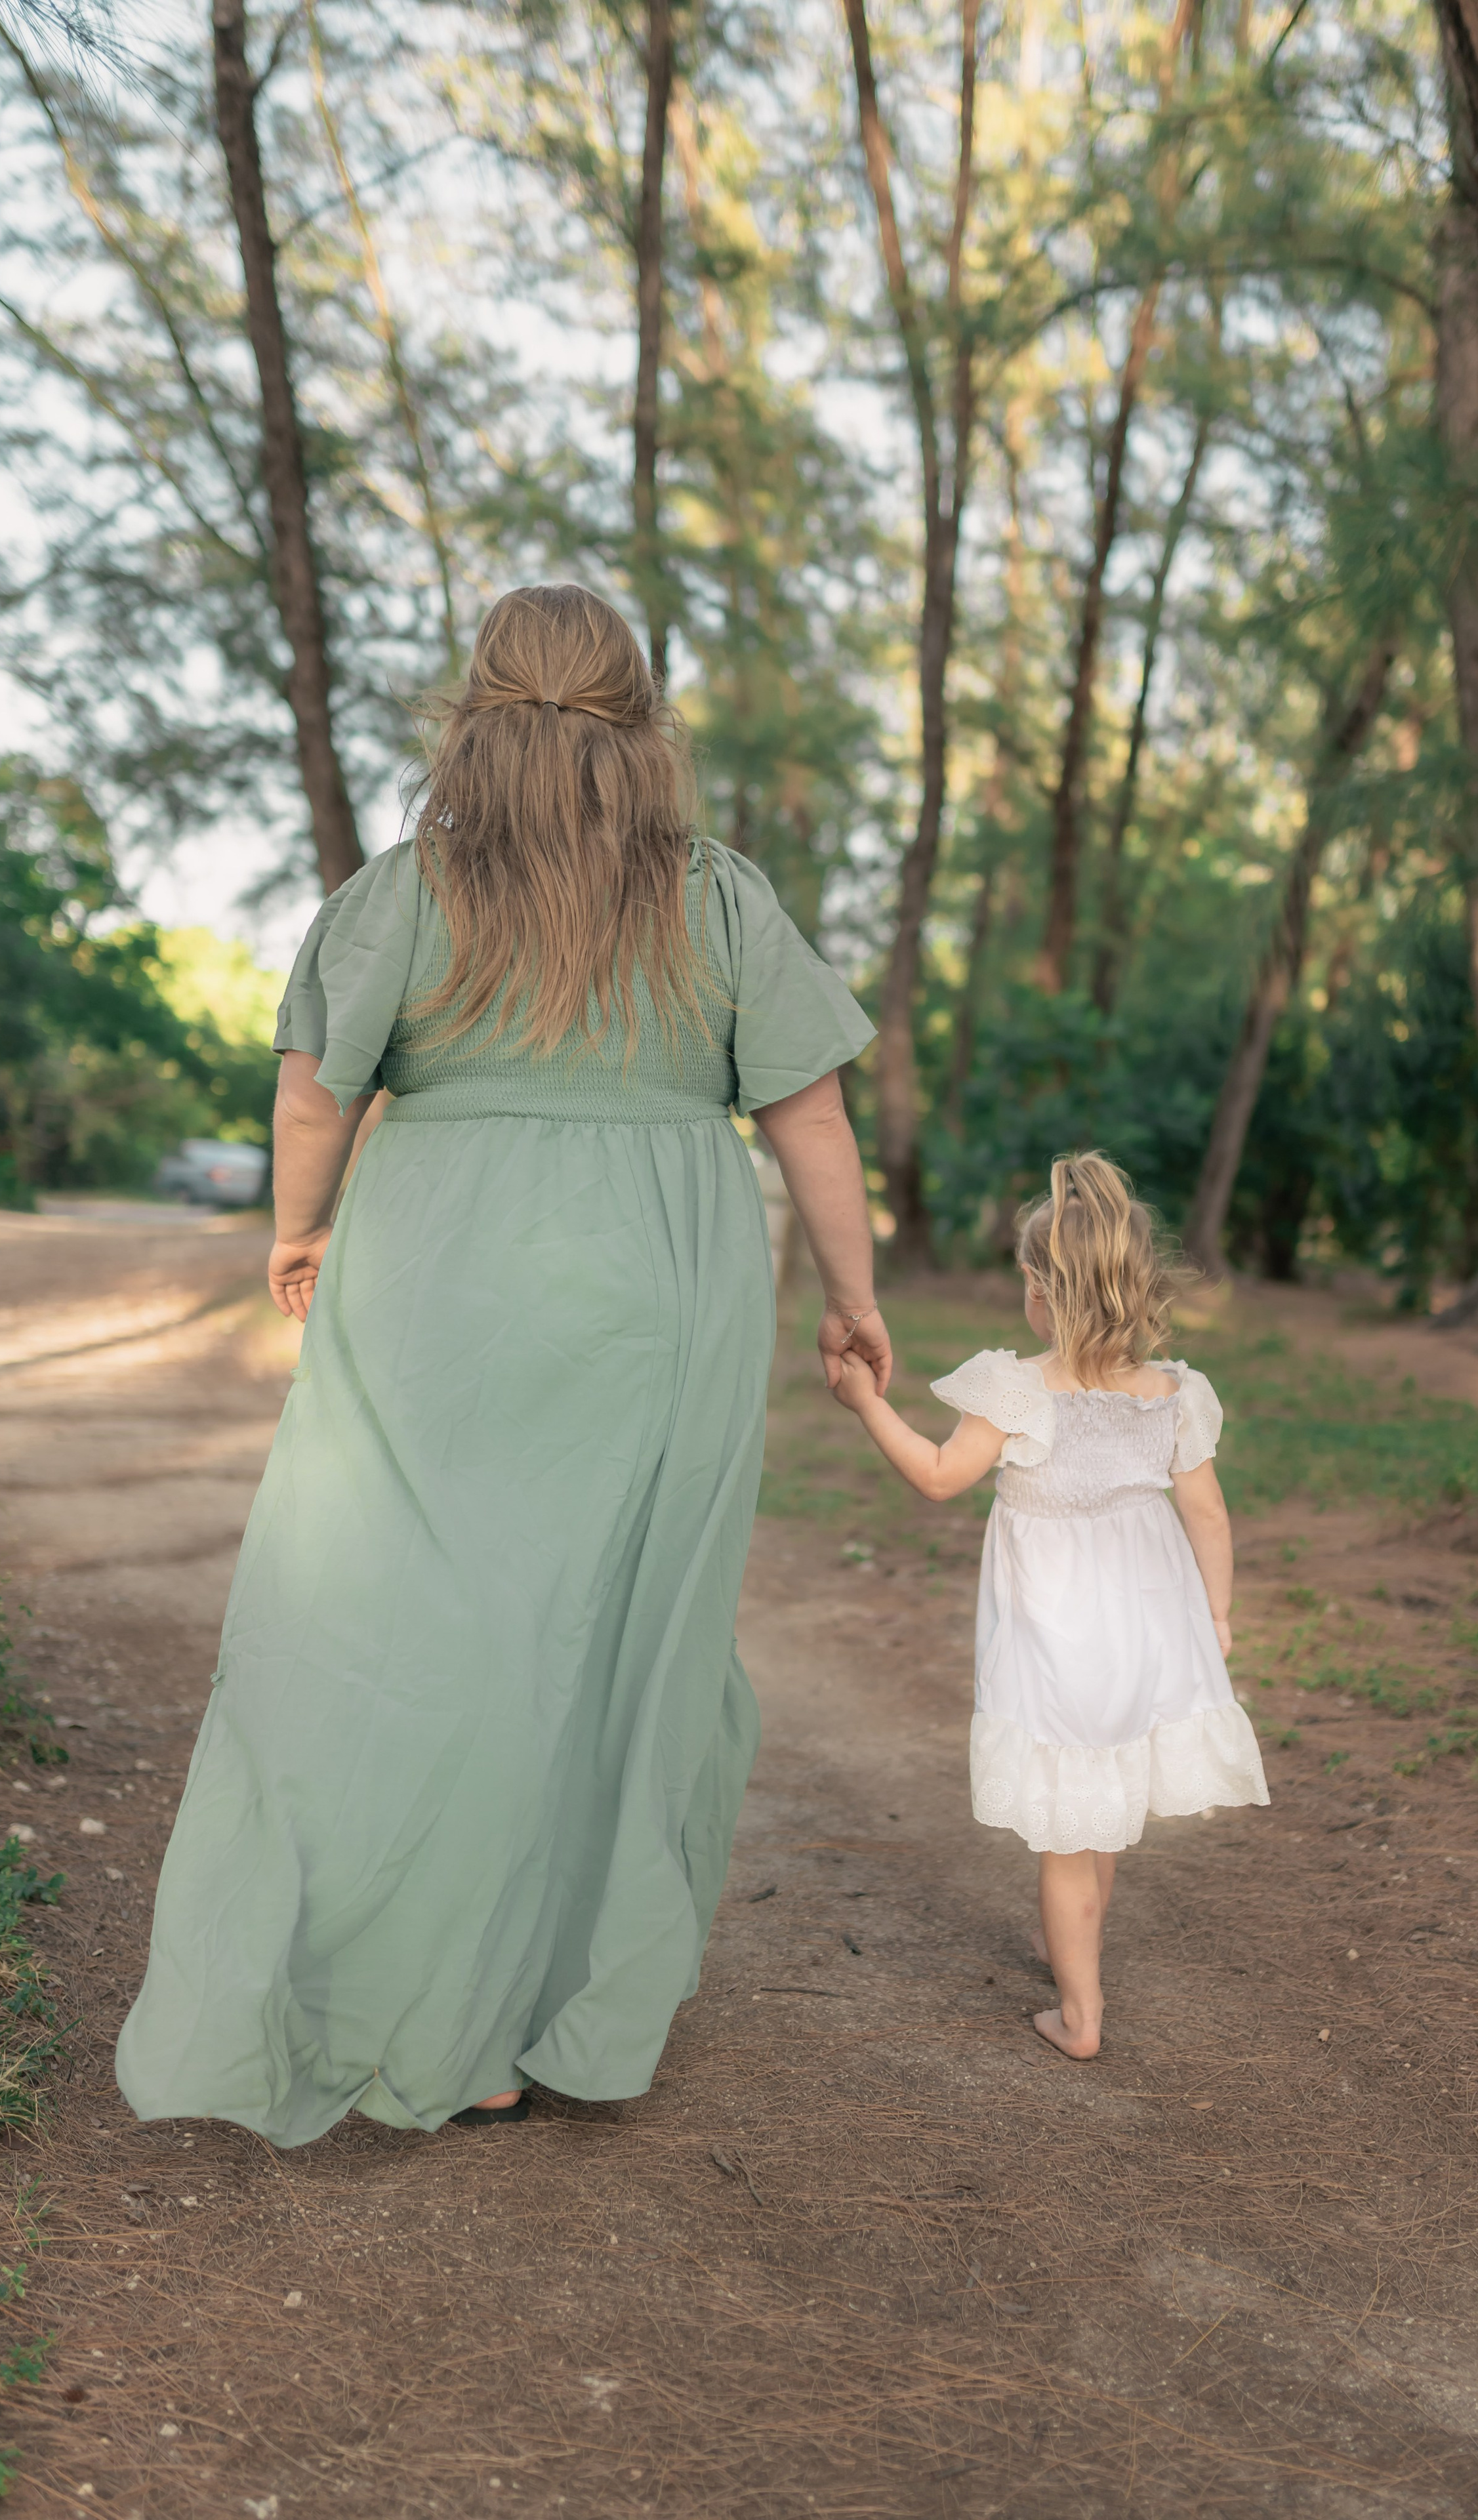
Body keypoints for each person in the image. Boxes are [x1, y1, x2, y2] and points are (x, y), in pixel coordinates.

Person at [115, 583, 890, 2143]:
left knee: (416, 1632)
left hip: (434, 1280)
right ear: (641, 720)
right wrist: (851, 1298)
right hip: (660, 1282)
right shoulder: (715, 895)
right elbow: (806, 1114)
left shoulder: (409, 888)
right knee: (615, 1644)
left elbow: (313, 1089)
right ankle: (560, 2008)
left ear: (471, 714)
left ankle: (429, 2014)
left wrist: (297, 1223)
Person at [831, 1152, 1267, 2059]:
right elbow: (1209, 1513)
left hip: (1059, 1632)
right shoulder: (1172, 1394)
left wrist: (868, 1404)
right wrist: (1215, 1617)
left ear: (1042, 1290)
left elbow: (942, 1476)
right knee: (1102, 1792)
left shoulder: (1019, 1389)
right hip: (1147, 1626)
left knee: (1068, 1826)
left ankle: (1080, 2014)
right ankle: (1076, 1945)